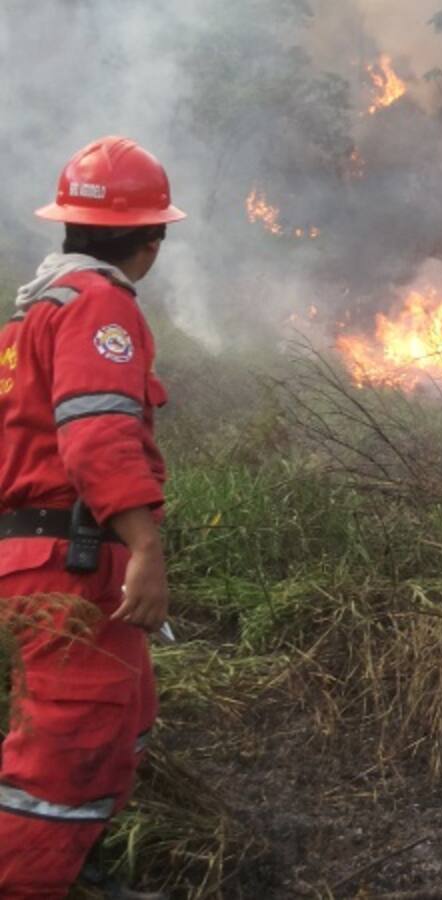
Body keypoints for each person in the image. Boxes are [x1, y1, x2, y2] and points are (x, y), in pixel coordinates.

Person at [0, 136, 185, 898]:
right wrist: (144, 545)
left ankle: (69, 873)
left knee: (118, 724)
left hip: (45, 558)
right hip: (67, 564)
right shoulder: (98, 307)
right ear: (150, 241)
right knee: (66, 753)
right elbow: (97, 432)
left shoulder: (31, 318)